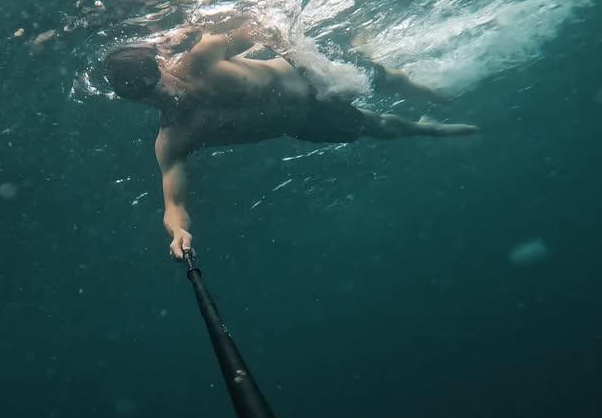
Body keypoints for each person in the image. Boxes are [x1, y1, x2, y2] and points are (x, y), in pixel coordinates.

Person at [103, 18, 479, 259]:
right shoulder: (175, 136)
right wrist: (177, 230)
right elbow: (173, 200)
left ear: (159, 66)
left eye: (157, 84)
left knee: (387, 78)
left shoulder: (202, 58)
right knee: (376, 129)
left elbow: (250, 23)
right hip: (304, 121)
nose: (162, 95)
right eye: (147, 97)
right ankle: (429, 127)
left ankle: (436, 95)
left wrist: (303, 56)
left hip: (314, 76)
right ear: (136, 102)